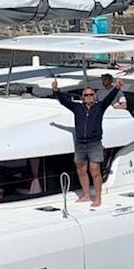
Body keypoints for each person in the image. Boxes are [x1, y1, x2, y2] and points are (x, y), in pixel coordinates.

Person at [51, 76, 123, 208]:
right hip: (80, 143)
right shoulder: (77, 107)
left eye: (91, 94)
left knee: (95, 170)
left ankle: (98, 198)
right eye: (86, 95)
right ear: (82, 97)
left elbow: (109, 98)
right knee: (81, 170)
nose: (89, 96)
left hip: (94, 143)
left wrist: (117, 87)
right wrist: (56, 90)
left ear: (94, 96)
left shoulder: (100, 107)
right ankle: (86, 195)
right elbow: (64, 101)